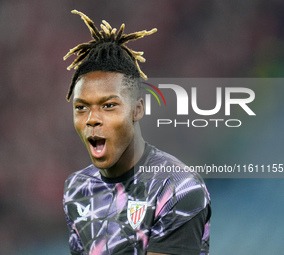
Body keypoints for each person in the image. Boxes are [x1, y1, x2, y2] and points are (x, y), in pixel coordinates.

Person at [63, 10, 211, 255]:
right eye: (81, 108)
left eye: (109, 106)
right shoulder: (77, 189)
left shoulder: (178, 188)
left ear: (137, 109)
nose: (92, 119)